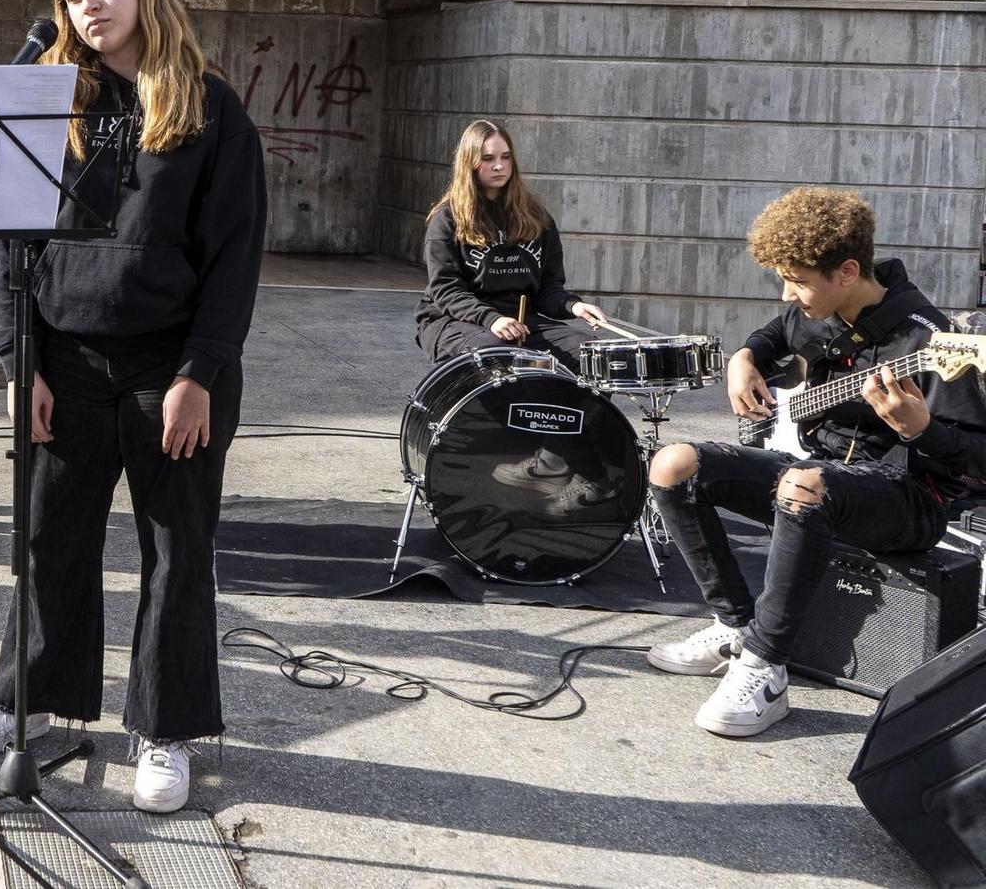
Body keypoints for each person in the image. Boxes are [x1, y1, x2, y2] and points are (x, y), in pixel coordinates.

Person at [0, 0, 266, 815]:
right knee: (50, 539)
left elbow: (235, 256)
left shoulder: (209, 106)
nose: (89, 7)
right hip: (66, 362)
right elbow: (11, 243)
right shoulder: (47, 104)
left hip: (172, 367)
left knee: (175, 550)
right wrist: (20, 358)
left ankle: (161, 727)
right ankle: (21, 700)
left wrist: (202, 370)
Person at [646, 187, 986, 738]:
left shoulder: (927, 341)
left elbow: (978, 463)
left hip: (910, 499)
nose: (789, 293)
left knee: (803, 486)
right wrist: (746, 356)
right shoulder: (816, 310)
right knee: (673, 464)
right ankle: (733, 625)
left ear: (847, 271)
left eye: (798, 281)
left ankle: (764, 665)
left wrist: (923, 430)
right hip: (818, 469)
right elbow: (777, 331)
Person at [415, 118, 608, 367]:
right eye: (488, 158)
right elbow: (447, 290)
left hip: (520, 320)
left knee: (592, 358)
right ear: (469, 163)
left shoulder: (536, 218)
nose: (499, 166)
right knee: (498, 354)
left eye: (506, 157)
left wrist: (574, 306)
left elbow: (548, 290)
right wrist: (492, 319)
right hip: (454, 321)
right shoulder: (448, 219)